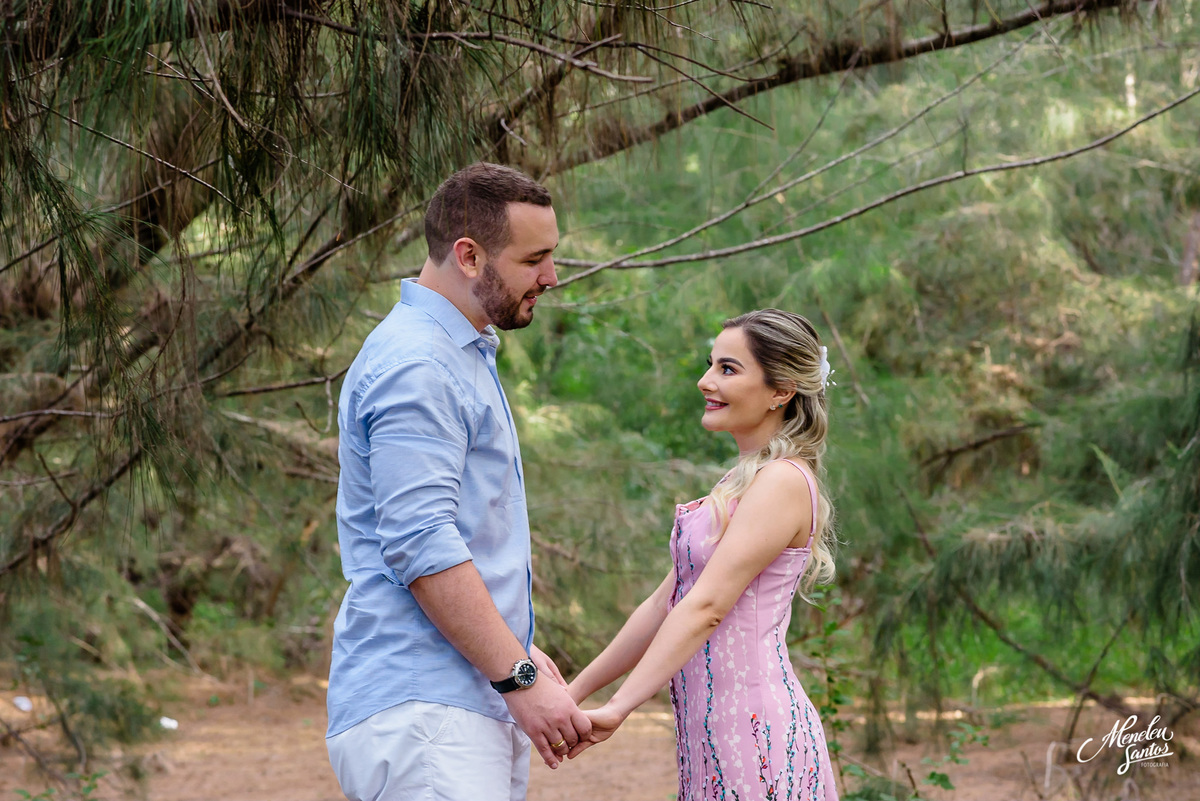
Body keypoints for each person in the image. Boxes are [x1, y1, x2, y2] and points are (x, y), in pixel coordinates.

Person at [326, 163, 591, 801]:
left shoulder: (453, 353)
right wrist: (518, 677)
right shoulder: (419, 363)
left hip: (460, 705)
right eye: (536, 259)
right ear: (469, 256)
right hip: (428, 716)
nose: (552, 278)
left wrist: (519, 655)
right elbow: (421, 541)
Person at [567, 309, 840, 801]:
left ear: (781, 391)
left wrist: (621, 707)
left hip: (758, 736)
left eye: (728, 369)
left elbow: (708, 608)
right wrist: (575, 693)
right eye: (711, 364)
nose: (705, 381)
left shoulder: (781, 481)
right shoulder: (742, 482)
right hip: (711, 737)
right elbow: (663, 605)